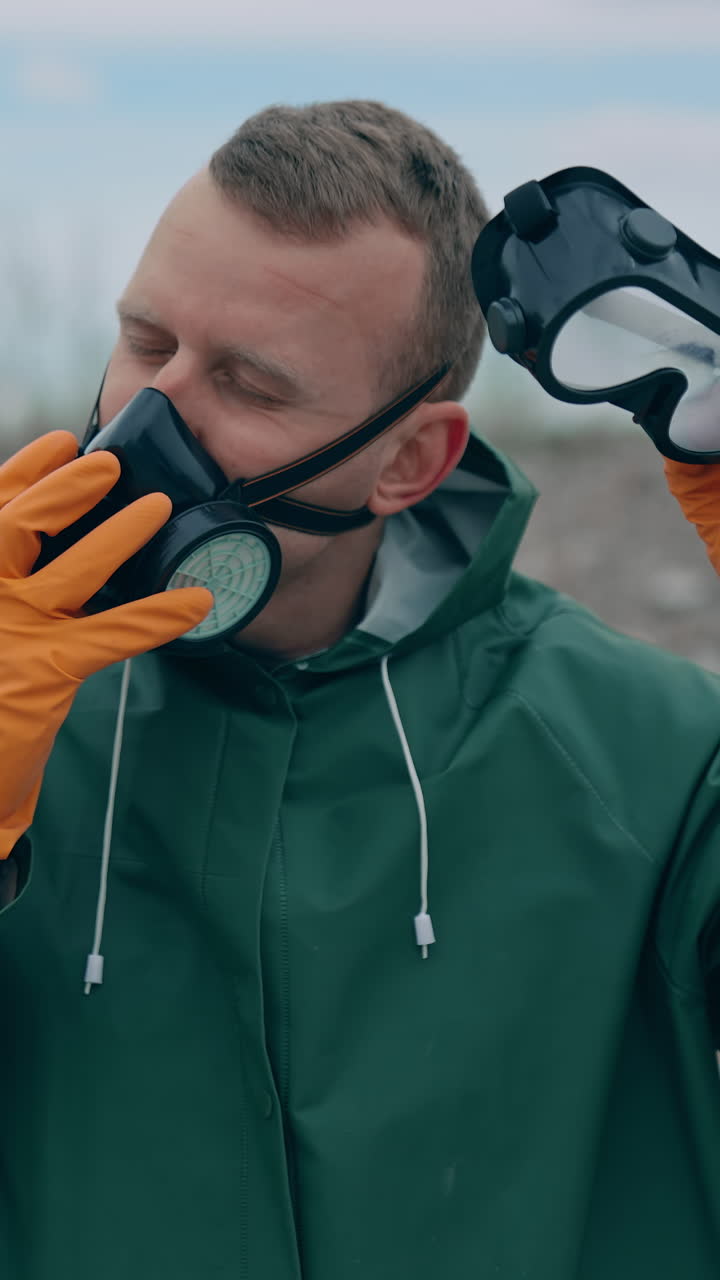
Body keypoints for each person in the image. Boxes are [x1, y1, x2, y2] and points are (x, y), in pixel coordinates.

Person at [1, 100, 720, 1280]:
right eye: (145, 339)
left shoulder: (653, 757)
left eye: (249, 381)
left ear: (409, 459)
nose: (146, 417)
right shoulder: (24, 717)